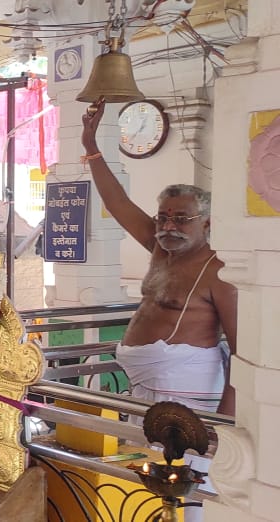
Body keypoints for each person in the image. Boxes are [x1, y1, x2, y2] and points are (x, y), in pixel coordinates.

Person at [82, 102, 237, 415]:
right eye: (162, 218)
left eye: (181, 219)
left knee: (180, 450)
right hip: (146, 383)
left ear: (207, 223)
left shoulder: (219, 271)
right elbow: (117, 202)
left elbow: (240, 349)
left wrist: (227, 416)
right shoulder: (159, 249)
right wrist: (91, 147)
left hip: (188, 385)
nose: (168, 227)